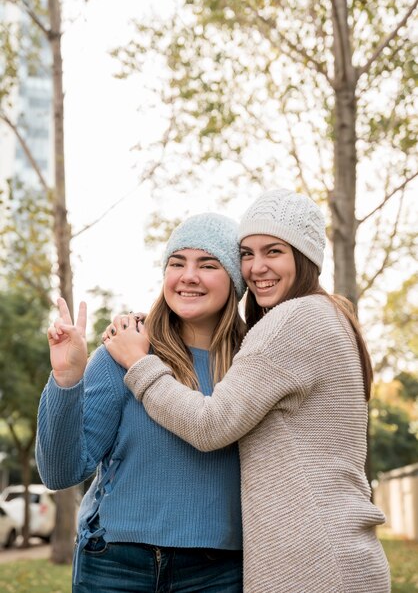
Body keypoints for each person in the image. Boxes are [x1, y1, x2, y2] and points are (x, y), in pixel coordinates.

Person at [105, 189, 391, 593]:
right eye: (246, 253)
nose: (257, 268)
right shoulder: (330, 315)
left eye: (273, 252)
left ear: (304, 258)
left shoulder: (293, 320)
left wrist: (139, 364)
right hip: (336, 550)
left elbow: (210, 425)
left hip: (311, 562)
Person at [36, 212, 247, 593]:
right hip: (116, 563)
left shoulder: (252, 362)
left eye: (208, 264)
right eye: (177, 263)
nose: (189, 276)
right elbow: (59, 473)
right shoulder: (122, 350)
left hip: (217, 571)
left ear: (234, 279)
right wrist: (67, 380)